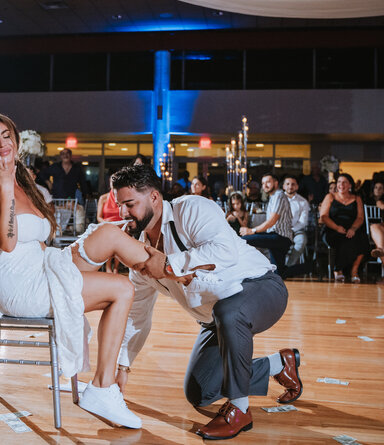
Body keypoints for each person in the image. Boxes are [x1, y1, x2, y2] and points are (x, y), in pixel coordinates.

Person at [0, 113, 153, 429]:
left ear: (15, 140)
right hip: (17, 286)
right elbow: (9, 244)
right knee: (123, 289)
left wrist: (68, 259)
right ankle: (102, 388)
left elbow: (38, 243)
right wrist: (4, 189)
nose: (2, 144)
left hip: (36, 269)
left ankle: (161, 265)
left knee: (106, 235)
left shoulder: (22, 182)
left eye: (6, 136)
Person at [111, 164, 301, 440]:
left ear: (153, 197)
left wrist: (168, 264)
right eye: (120, 205)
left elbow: (224, 251)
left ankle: (239, 410)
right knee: (200, 392)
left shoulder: (191, 208)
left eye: (129, 204)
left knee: (229, 311)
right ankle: (279, 365)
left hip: (260, 287)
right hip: (216, 317)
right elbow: (137, 316)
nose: (123, 213)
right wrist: (122, 367)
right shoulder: (140, 255)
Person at [239, 173, 293, 276]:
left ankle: (245, 271)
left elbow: (272, 221)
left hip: (280, 237)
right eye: (263, 183)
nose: (265, 185)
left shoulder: (279, 196)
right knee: (280, 273)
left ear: (276, 183)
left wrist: (251, 231)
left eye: (268, 182)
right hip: (276, 236)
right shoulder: (273, 197)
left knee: (244, 240)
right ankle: (313, 266)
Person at [319, 173, 369, 283]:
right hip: (332, 228)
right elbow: (324, 217)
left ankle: (354, 270)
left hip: (352, 228)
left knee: (362, 239)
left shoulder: (357, 198)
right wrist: (337, 228)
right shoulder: (330, 197)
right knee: (341, 239)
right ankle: (338, 269)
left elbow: (360, 217)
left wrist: (353, 228)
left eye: (344, 182)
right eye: (339, 182)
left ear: (350, 185)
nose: (341, 185)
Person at [283, 175, 310, 267]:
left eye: (293, 184)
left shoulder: (303, 202)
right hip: (278, 230)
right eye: (288, 184)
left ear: (297, 186)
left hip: (296, 230)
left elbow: (303, 222)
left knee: (301, 240)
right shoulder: (276, 199)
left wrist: (291, 230)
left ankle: (288, 267)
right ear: (283, 186)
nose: (290, 186)